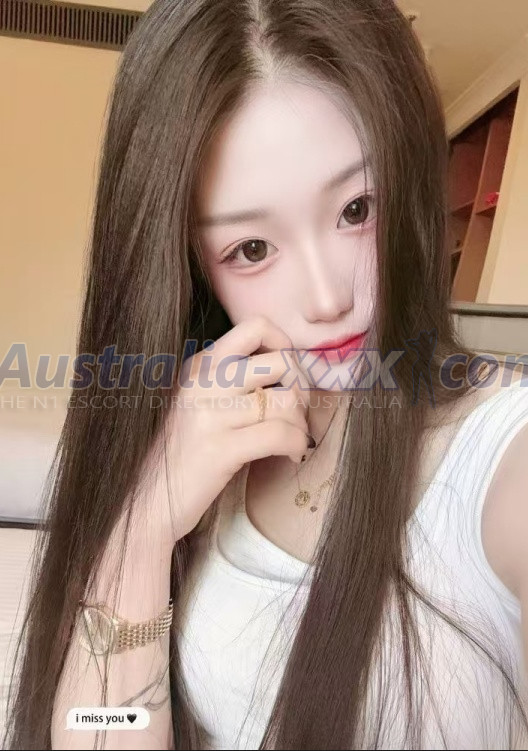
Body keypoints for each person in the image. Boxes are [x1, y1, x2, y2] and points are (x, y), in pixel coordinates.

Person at [5, 0, 528, 749]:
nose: (327, 297)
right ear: (190, 270)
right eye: (251, 249)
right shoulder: (202, 429)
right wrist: (143, 528)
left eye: (358, 207)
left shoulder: (501, 457)